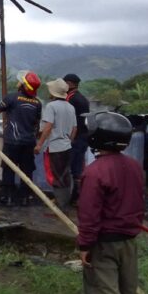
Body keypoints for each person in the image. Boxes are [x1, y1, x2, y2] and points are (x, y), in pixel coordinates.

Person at [77, 111, 144, 294]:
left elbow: (89, 213)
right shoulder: (134, 166)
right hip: (129, 241)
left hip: (104, 243)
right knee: (127, 292)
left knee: (103, 293)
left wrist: (85, 244)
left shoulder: (95, 172)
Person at [0, 70, 42, 206]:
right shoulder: (37, 103)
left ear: (22, 85)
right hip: (29, 142)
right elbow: (36, 125)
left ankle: (8, 198)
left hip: (12, 142)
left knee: (8, 169)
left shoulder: (12, 98)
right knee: (26, 170)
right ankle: (25, 198)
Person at [35, 78, 77, 210]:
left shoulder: (51, 106)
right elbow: (75, 128)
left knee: (56, 177)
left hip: (55, 148)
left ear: (53, 93)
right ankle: (65, 203)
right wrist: (68, 141)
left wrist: (39, 144)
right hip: (67, 147)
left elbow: (48, 126)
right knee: (65, 175)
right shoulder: (70, 107)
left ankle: (61, 207)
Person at [63, 73, 90, 201]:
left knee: (66, 168)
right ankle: (77, 197)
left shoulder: (71, 98)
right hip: (83, 136)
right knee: (77, 169)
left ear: (70, 84)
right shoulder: (83, 98)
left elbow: (68, 119)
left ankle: (67, 198)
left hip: (74, 137)